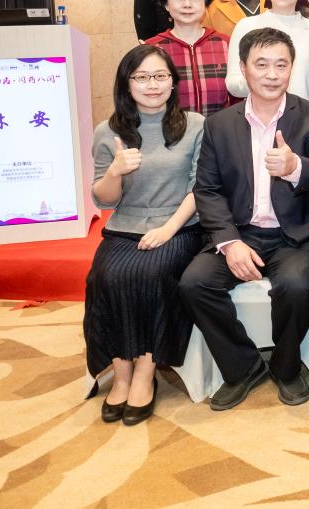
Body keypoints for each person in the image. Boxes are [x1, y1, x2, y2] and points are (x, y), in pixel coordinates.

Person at [179, 27, 309, 411]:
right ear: (243, 67)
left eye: (281, 65)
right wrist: (229, 242)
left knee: (297, 287)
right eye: (261, 64)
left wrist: (295, 166)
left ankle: (286, 367)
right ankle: (243, 367)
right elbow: (208, 190)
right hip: (240, 233)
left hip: (297, 235)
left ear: (291, 69)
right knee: (194, 284)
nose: (271, 74)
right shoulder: (219, 124)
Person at [85, 45, 205, 426]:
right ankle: (121, 373)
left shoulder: (195, 125)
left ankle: (145, 372)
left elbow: (200, 189)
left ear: (172, 82)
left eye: (160, 76)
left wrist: (168, 230)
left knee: (151, 275)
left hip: (179, 226)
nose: (152, 85)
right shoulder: (108, 131)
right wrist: (115, 171)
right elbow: (104, 199)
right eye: (141, 77)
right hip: (125, 227)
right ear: (127, 83)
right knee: (105, 278)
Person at [146, 0, 234, 117]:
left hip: (220, 128)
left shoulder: (226, 44)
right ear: (166, 4)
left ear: (206, 3)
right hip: (171, 129)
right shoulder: (152, 49)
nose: (187, 5)